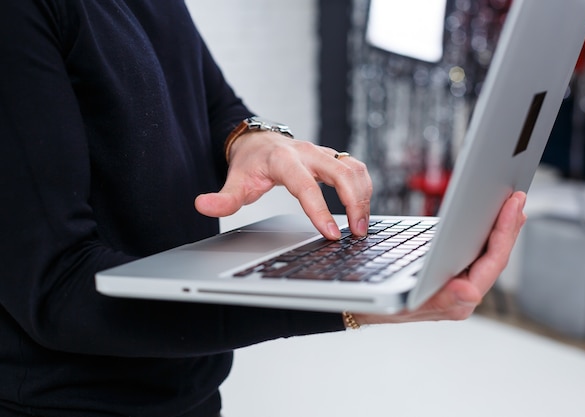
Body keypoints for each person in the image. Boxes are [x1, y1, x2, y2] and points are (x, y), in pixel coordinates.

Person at [0, 1, 527, 416]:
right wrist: (348, 299)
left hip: (187, 388)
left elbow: (216, 105)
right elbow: (56, 289)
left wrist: (254, 138)